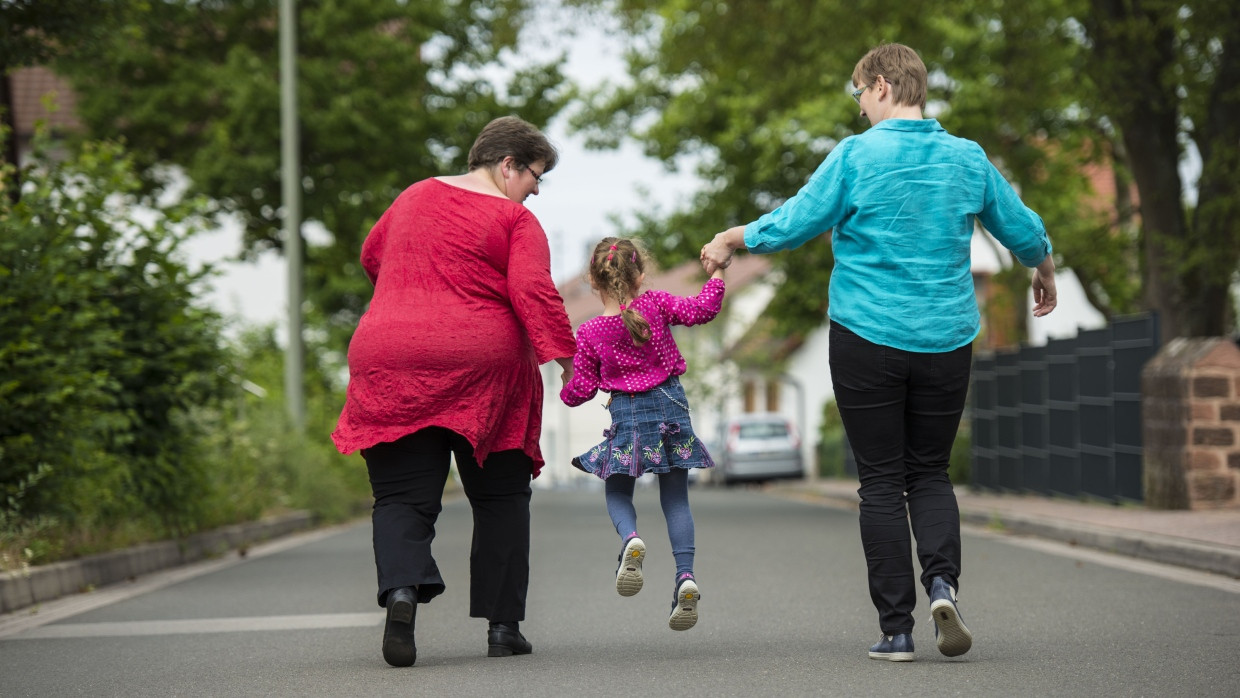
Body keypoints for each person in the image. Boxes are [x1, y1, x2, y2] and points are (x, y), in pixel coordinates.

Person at [701, 43, 1058, 661]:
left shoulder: (856, 157)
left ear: (885, 87)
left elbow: (795, 222)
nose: (859, 104)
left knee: (881, 484)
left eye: (859, 91)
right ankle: (942, 583)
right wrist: (1043, 268)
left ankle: (897, 630)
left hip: (866, 337)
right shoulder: (966, 159)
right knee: (930, 472)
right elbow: (1023, 229)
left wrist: (732, 237)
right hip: (946, 340)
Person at [331, 115, 577, 667]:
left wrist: (415, 297)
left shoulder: (413, 196)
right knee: (500, 498)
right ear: (507, 164)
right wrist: (569, 362)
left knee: (400, 498)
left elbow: (374, 255)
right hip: (484, 367)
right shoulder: (514, 219)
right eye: (536, 175)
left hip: (389, 358)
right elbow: (533, 292)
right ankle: (502, 627)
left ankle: (401, 593)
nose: (536, 189)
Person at [560, 237, 724, 631]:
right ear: (641, 275)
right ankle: (685, 575)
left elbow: (578, 394)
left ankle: (630, 537)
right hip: (672, 411)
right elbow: (703, 309)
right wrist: (717, 272)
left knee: (617, 490)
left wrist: (565, 378)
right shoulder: (656, 304)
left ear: (592, 281)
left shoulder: (591, 332)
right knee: (676, 500)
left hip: (628, 418)